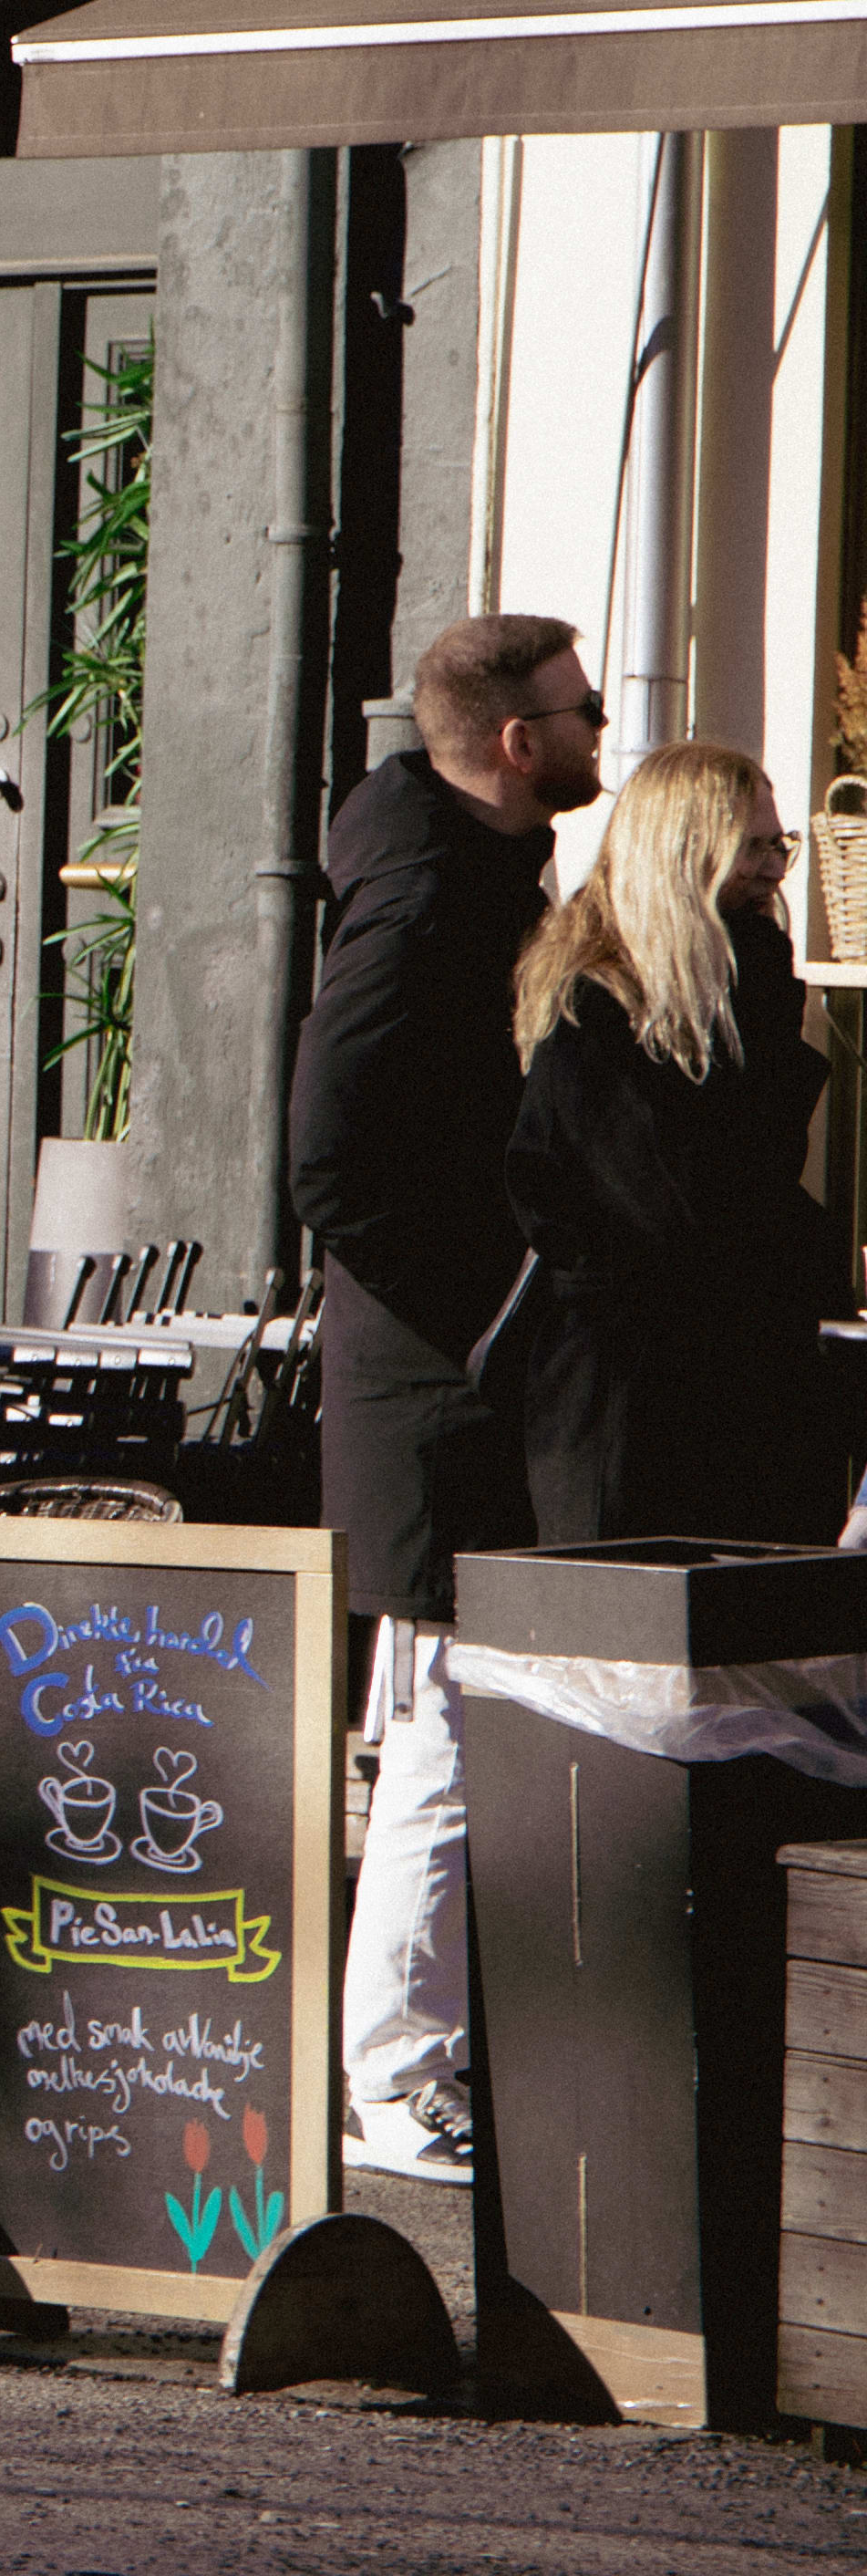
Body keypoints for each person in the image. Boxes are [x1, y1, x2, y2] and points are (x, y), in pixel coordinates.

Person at [296, 610, 603, 2185]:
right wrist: (486, 1319)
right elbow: (331, 1159)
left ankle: (424, 2063)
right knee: (437, 1728)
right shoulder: (425, 899)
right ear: (511, 743)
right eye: (581, 710)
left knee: (447, 1718)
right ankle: (404, 2083)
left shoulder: (471, 871)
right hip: (435, 1389)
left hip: (447, 1375)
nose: (602, 729)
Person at [491, 743, 852, 1548]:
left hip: (733, 1394)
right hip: (638, 1407)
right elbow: (685, 1208)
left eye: (777, 845)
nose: (773, 869)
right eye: (752, 847)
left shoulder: (733, 988)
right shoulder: (600, 1009)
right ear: (687, 854)